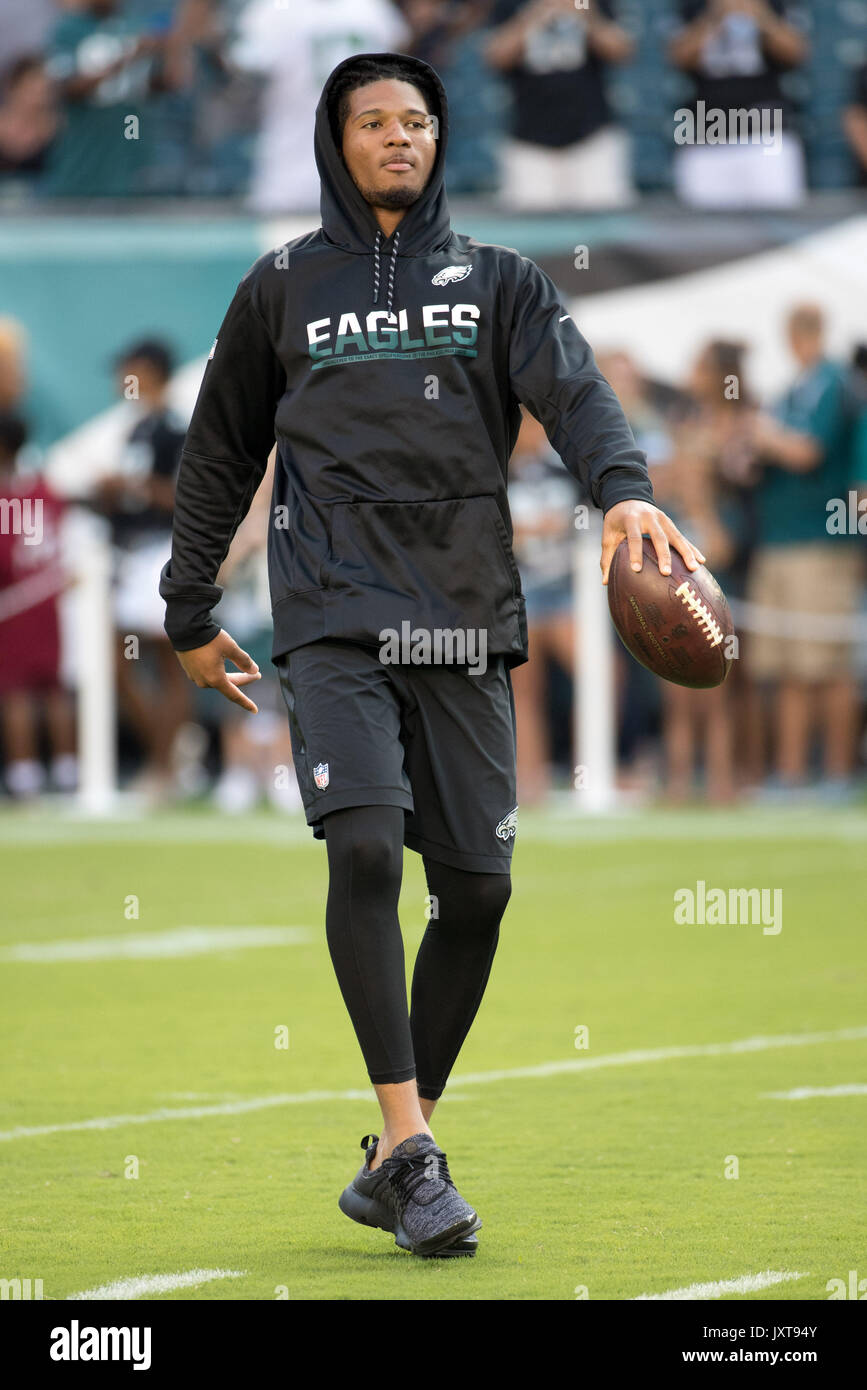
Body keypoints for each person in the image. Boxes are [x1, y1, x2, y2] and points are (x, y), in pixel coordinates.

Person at [159, 51, 703, 1258]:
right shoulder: (281, 286)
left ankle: (397, 1155)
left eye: (418, 120)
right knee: (362, 847)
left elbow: (576, 393)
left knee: (479, 893)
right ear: (334, 141)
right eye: (375, 122)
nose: (400, 137)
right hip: (331, 609)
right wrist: (189, 609)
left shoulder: (503, 279)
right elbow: (218, 456)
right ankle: (413, 1148)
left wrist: (621, 493)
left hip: (461, 615)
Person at [746, 305, 861, 795]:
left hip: (822, 541)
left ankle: (837, 773)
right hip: (782, 539)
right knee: (788, 667)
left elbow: (808, 451)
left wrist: (763, 438)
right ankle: (791, 774)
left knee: (828, 665)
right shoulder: (794, 388)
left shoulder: (834, 383)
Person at [91, 338, 189, 801]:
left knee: (170, 662)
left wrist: (133, 486)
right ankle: (165, 757)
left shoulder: (175, 429)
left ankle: (164, 768)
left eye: (130, 372)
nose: (121, 383)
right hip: (131, 556)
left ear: (151, 372)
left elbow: (186, 497)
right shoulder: (135, 430)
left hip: (160, 553)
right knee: (118, 664)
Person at [231, 0, 407, 213]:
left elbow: (238, 76)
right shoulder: (373, 8)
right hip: (354, 183)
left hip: (291, 179)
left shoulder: (274, 9)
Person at [485, 0, 634, 209]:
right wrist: (534, 14)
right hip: (530, 141)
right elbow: (496, 57)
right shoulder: (511, 4)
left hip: (592, 138)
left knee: (604, 227)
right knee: (529, 231)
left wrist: (583, 13)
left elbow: (621, 51)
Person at [0, 414, 76, 799]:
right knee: (53, 687)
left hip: (15, 605)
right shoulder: (46, 488)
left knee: (15, 690)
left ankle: (25, 773)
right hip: (49, 603)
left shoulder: (6, 498)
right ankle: (67, 769)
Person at [669, 0, 808, 209]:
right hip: (705, 136)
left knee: (779, 224)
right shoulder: (693, 5)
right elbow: (678, 57)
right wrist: (714, 16)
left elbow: (796, 53)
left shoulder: (772, 4)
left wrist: (760, 16)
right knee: (704, 232)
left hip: (767, 137)